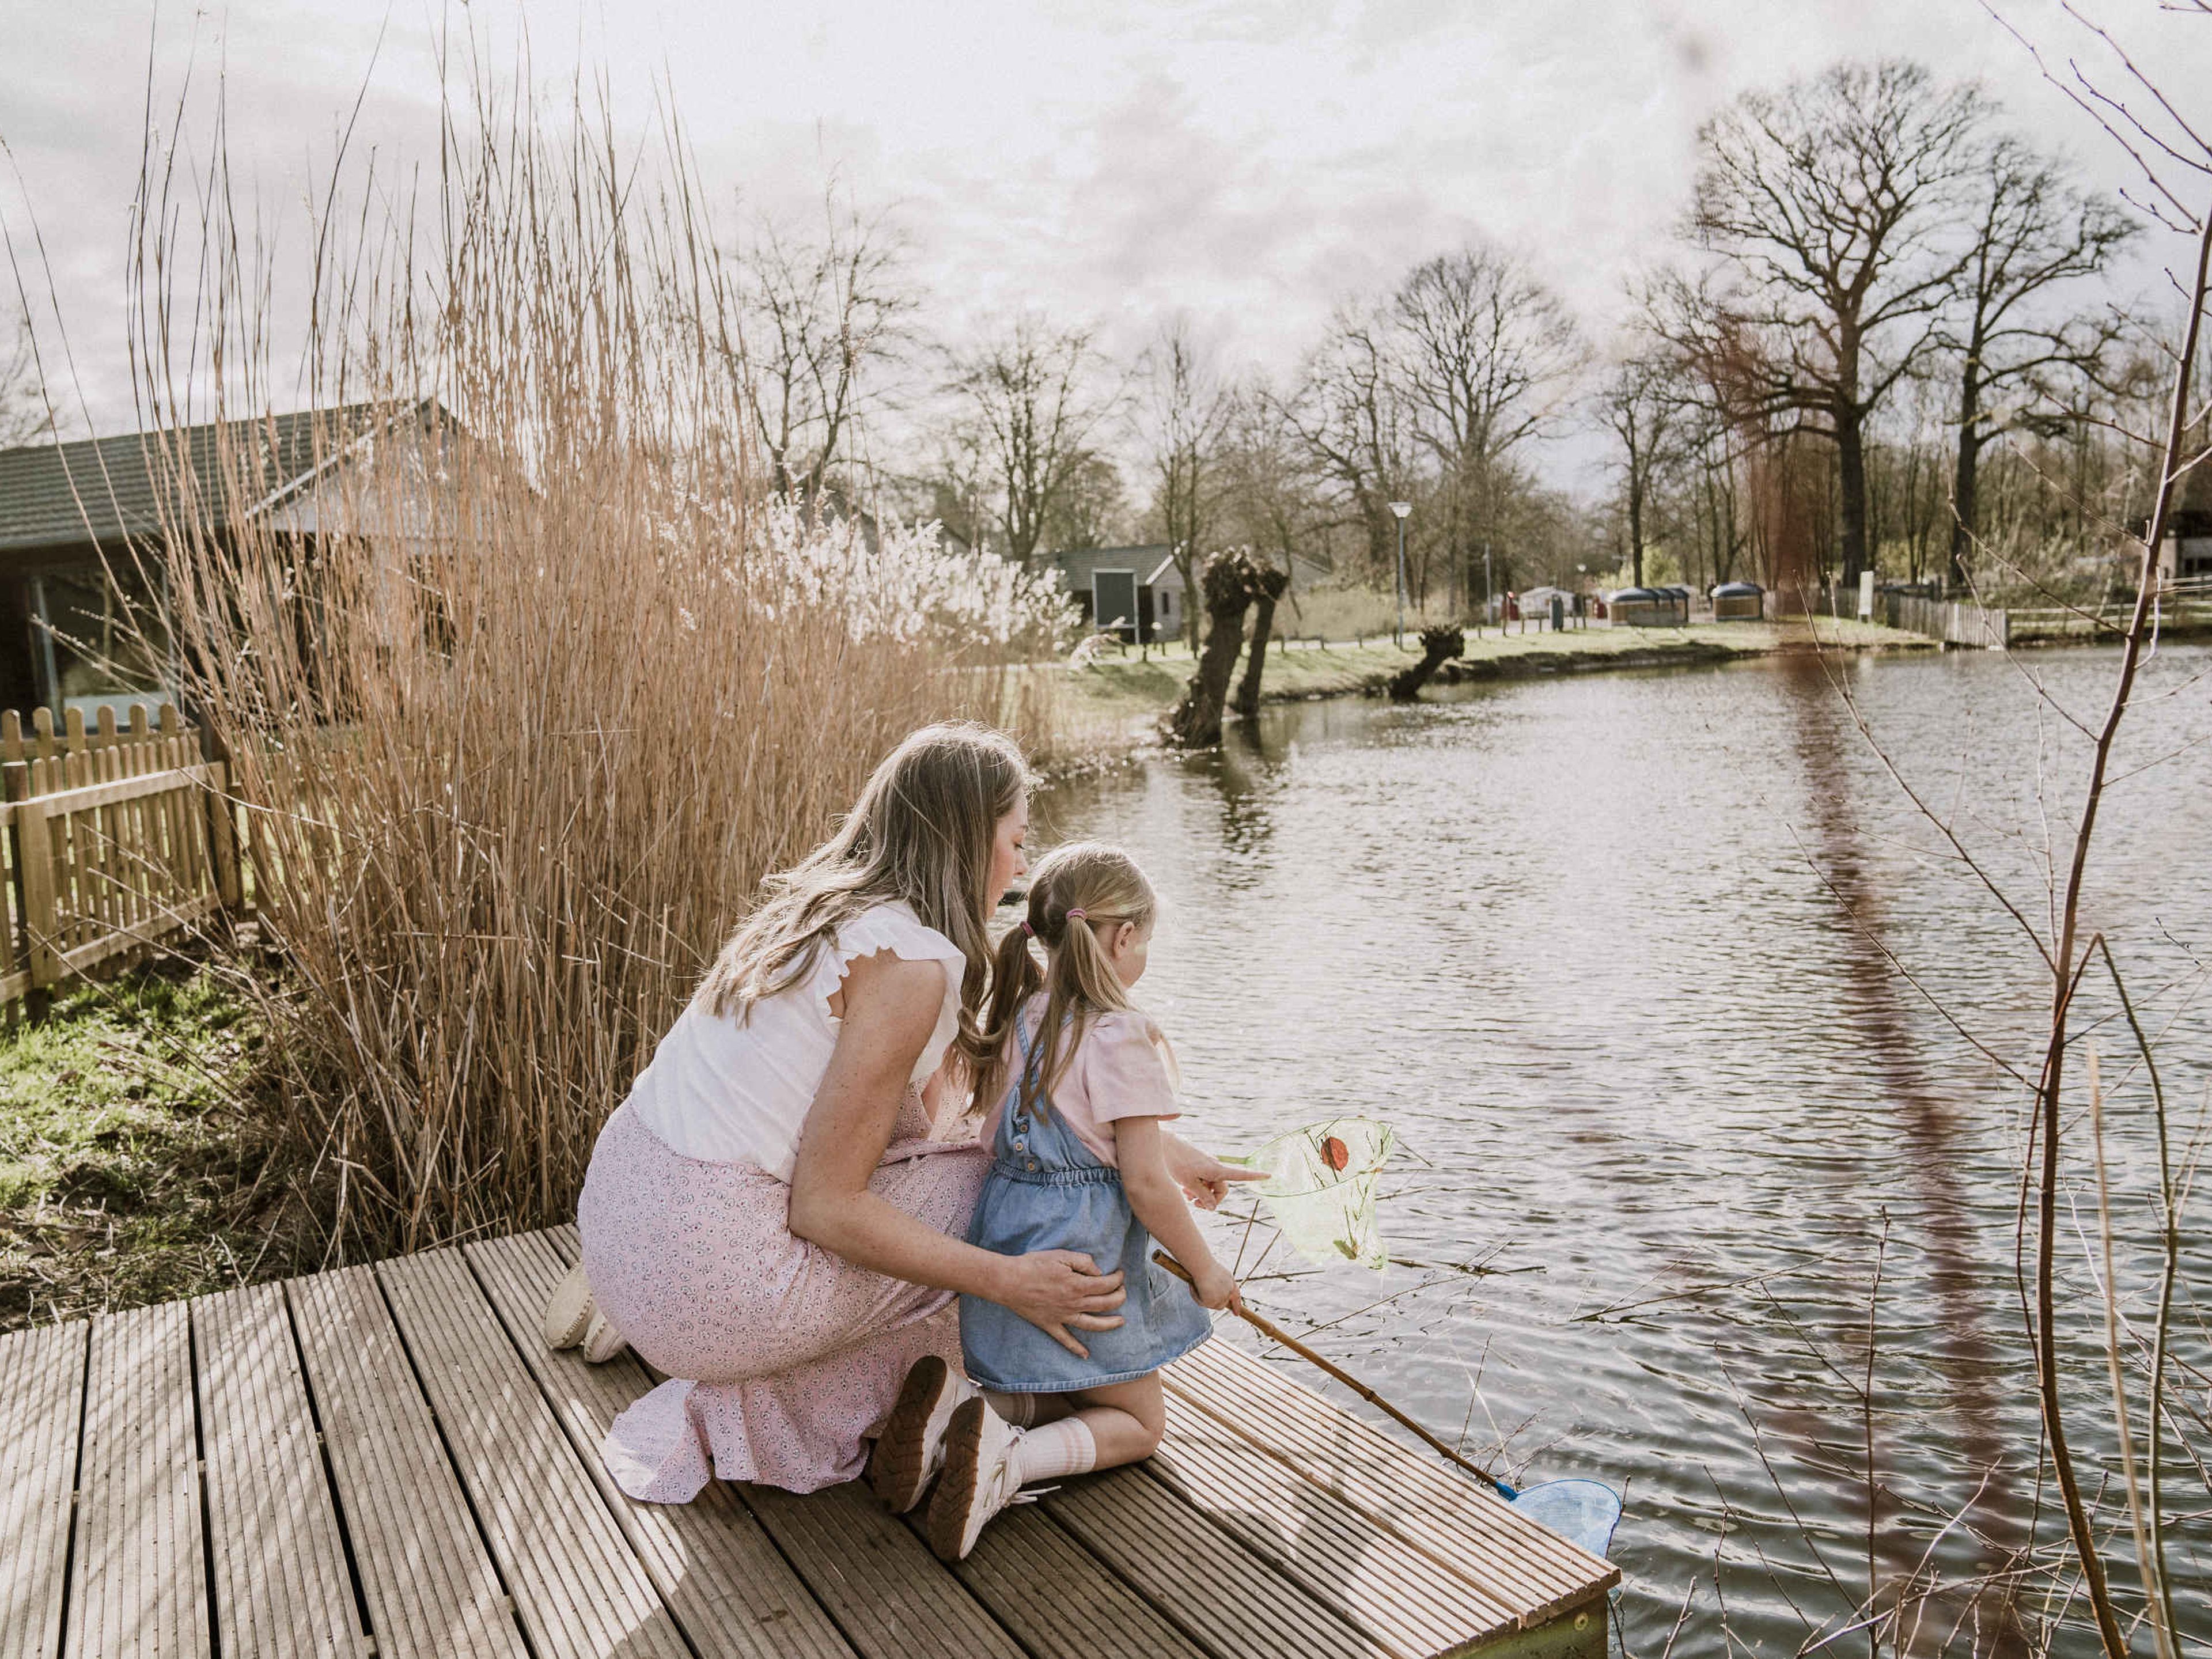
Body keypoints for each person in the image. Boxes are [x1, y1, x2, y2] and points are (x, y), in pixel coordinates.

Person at [544, 725, 1242, 1502]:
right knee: (1018, 1191)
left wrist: (1167, 1150)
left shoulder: (820, 911)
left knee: (962, 1183)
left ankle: (663, 1317)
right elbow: (827, 1206)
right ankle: (1063, 1389)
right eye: (1016, 841)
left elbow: (964, 1113)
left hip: (625, 1216)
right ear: (968, 837)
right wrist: (1011, 1280)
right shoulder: (909, 966)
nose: (1020, 866)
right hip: (709, 1278)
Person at [866, 841, 1259, 1561]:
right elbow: (1142, 1182)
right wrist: (1207, 1271)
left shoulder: (1025, 1016)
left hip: (1010, 1238)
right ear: (1125, 937)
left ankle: (963, 1409)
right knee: (1140, 1424)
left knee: (1080, 1389)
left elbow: (1076, 1126)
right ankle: (1010, 1463)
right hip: (1083, 1258)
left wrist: (1188, 1158)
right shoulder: (1122, 1032)